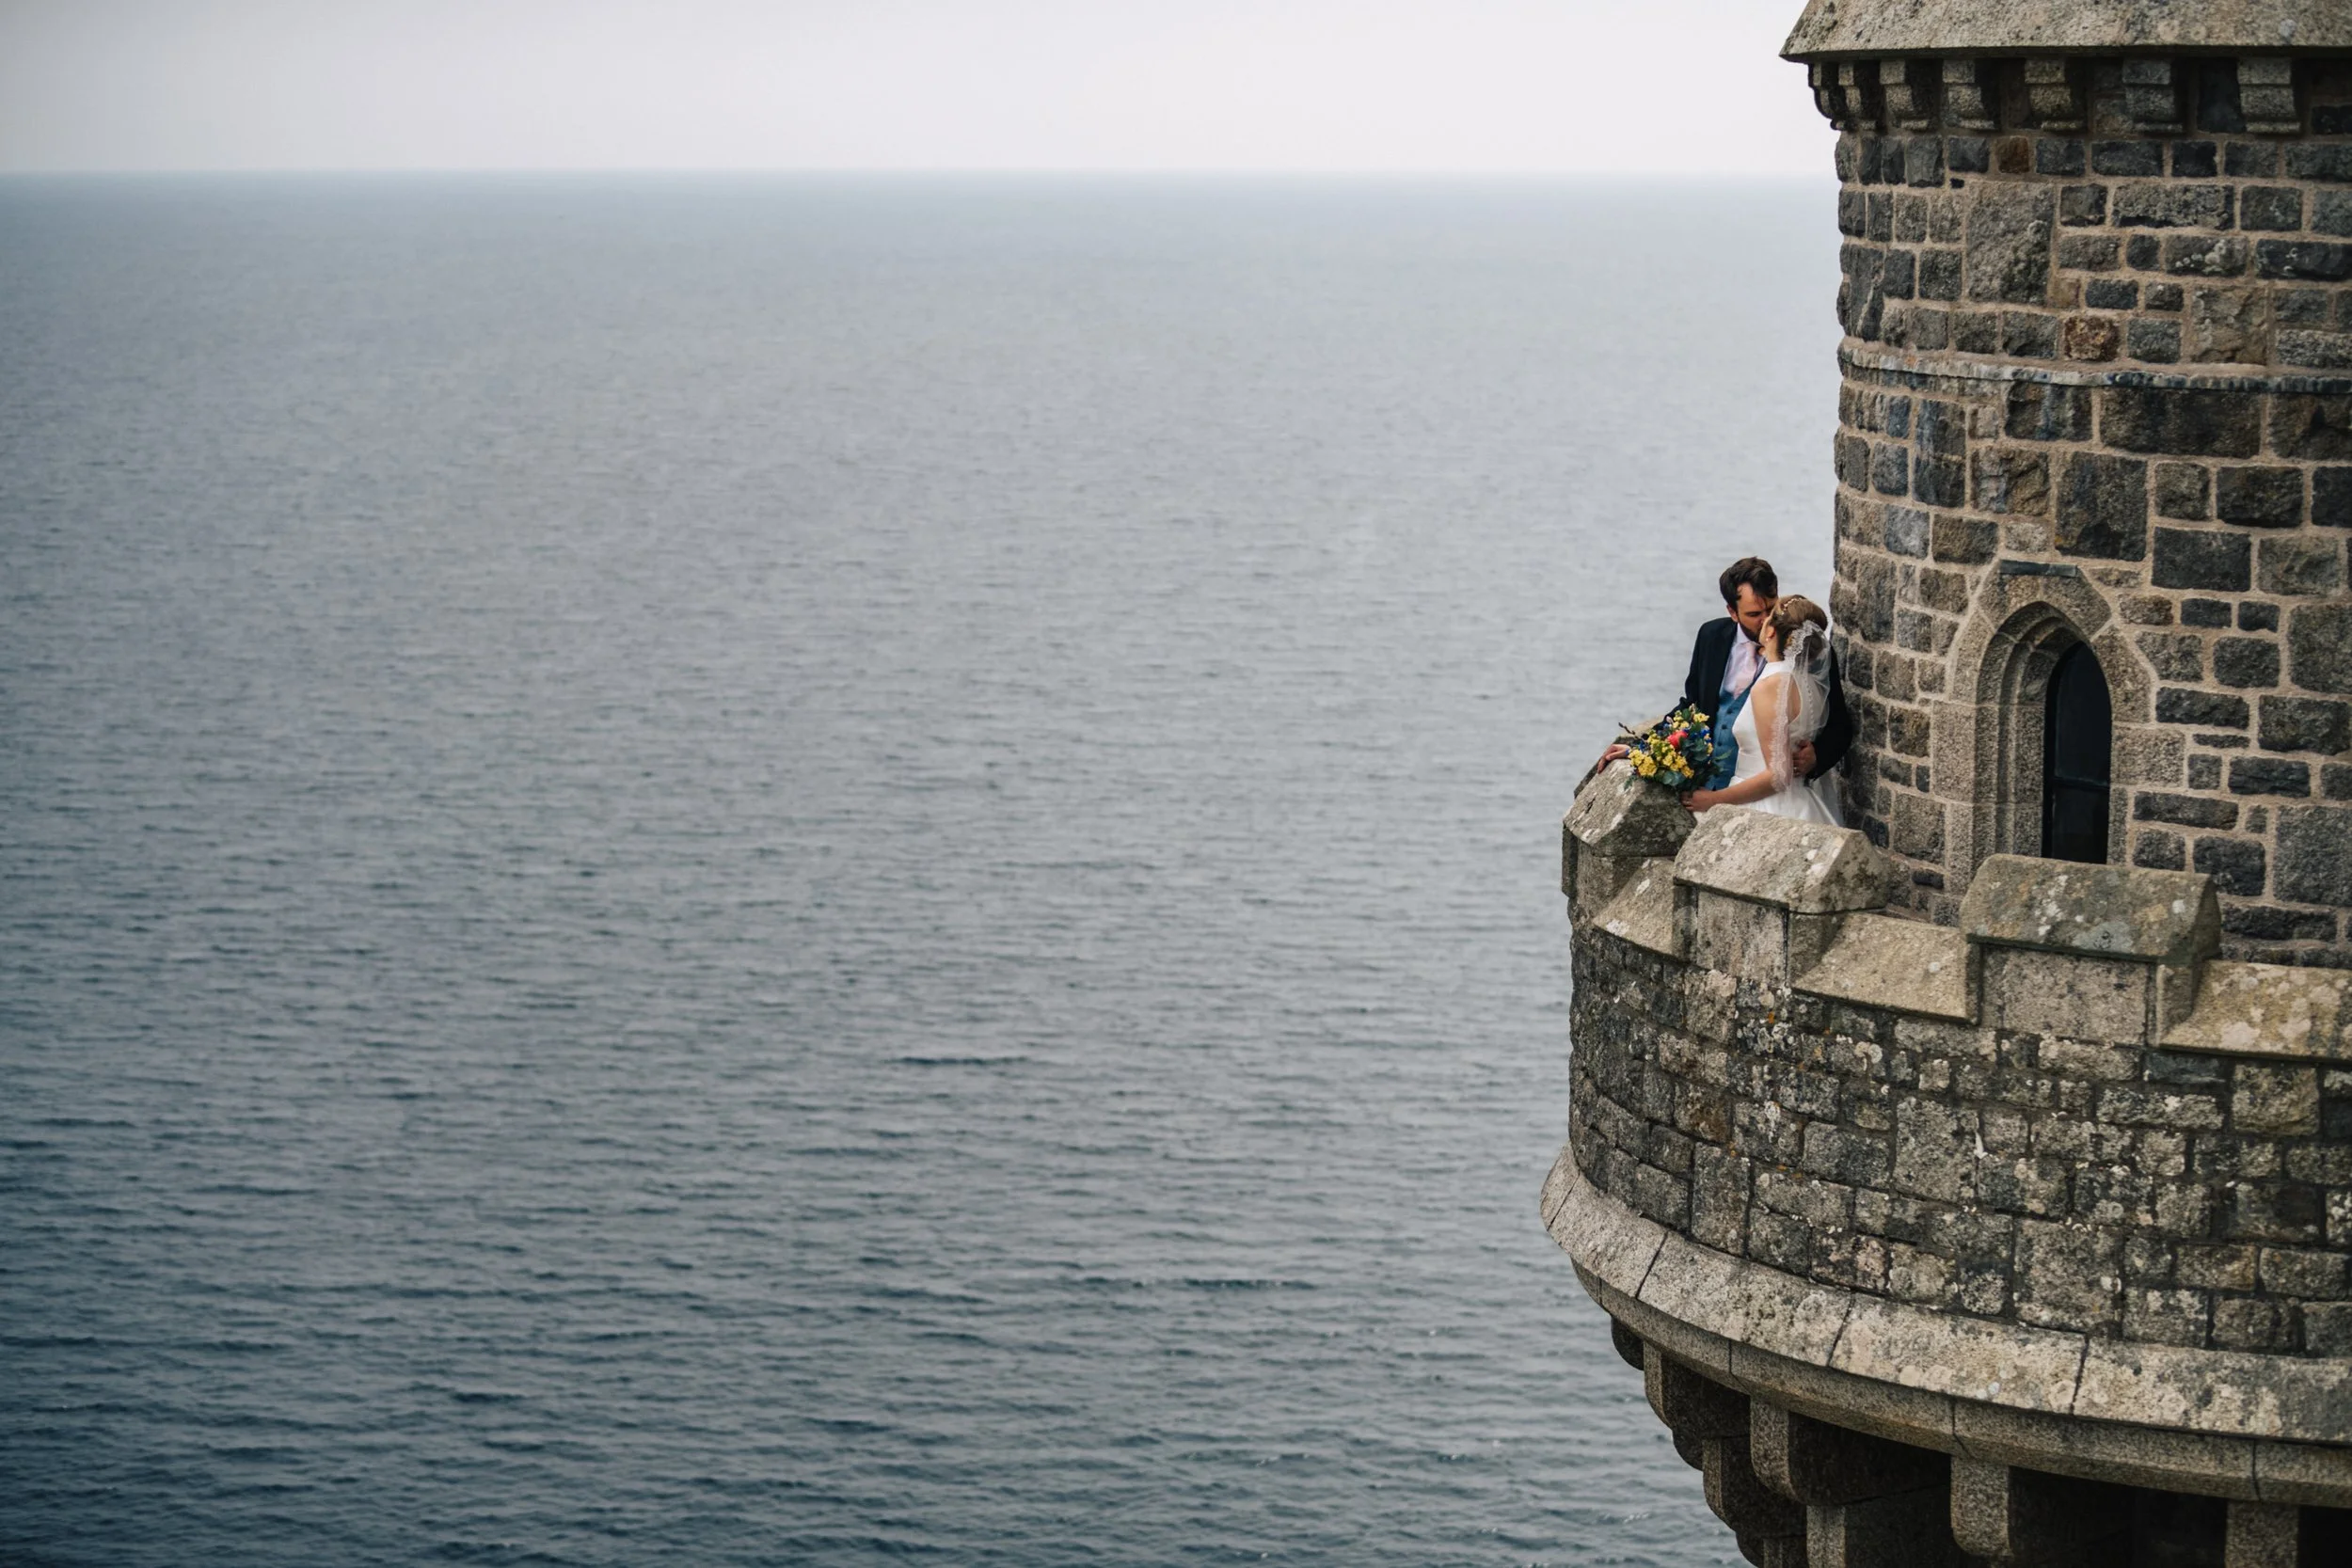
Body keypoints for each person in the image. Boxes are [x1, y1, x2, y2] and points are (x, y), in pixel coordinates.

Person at [1598, 557, 1852, 790]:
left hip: (1771, 793)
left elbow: (1841, 724)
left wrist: (1817, 756)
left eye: (1770, 610)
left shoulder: (1805, 651)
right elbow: (1692, 708)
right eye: (1754, 614)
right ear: (1732, 612)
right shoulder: (1711, 637)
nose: (1766, 622)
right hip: (1708, 786)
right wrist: (1643, 747)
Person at [1686, 595, 1844, 825]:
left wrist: (1714, 800)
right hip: (1800, 803)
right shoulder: (1813, 686)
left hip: (1763, 809)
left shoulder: (1771, 684)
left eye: (1768, 617)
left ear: (1771, 632)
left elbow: (1779, 776)